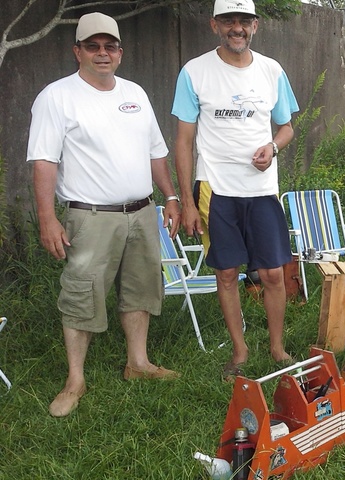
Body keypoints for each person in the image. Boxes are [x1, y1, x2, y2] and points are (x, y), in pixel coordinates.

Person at [27, 12, 182, 418]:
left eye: (109, 46)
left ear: (120, 52)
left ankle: (138, 363)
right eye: (92, 46)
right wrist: (48, 218)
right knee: (82, 293)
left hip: (142, 211)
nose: (102, 53)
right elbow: (43, 161)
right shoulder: (56, 97)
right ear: (77, 51)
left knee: (140, 289)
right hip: (90, 217)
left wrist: (171, 196)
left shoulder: (135, 94)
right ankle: (75, 379)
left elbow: (156, 152)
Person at [172, 0, 298, 380]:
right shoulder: (194, 72)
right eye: (229, 20)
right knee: (226, 273)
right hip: (216, 188)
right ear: (215, 25)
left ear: (255, 26)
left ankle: (277, 348)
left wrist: (273, 147)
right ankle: (240, 352)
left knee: (274, 273)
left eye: (244, 21)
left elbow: (287, 127)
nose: (237, 28)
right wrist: (188, 201)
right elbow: (183, 141)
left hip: (261, 190)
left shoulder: (272, 70)